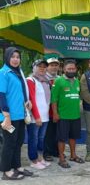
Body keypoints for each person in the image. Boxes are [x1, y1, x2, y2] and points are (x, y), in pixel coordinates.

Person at [0, 47, 33, 180]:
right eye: (13, 56)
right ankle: (6, 171)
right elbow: (1, 96)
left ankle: (17, 166)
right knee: (9, 143)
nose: (15, 59)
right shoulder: (3, 73)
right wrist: (6, 117)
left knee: (18, 142)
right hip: (9, 117)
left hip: (20, 115)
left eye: (18, 57)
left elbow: (19, 91)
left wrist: (27, 101)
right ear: (7, 57)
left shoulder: (18, 72)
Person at [51, 59, 84, 168]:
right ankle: (61, 158)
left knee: (73, 137)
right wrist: (55, 113)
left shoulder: (77, 81)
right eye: (69, 68)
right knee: (62, 138)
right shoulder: (58, 81)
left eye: (73, 68)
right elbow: (54, 99)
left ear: (75, 69)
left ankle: (73, 155)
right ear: (64, 69)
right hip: (63, 116)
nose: (71, 70)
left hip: (75, 115)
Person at [26, 59, 51, 170]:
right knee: (34, 138)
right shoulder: (30, 80)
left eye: (44, 67)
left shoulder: (46, 81)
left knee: (41, 138)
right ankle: (33, 160)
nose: (42, 68)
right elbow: (32, 99)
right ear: (34, 67)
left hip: (45, 116)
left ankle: (40, 157)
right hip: (35, 117)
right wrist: (36, 116)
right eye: (39, 66)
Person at [43, 57, 60, 161]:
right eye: (51, 65)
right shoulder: (42, 78)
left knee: (56, 132)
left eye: (56, 65)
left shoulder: (60, 79)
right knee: (47, 133)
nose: (54, 67)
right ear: (47, 67)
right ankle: (46, 152)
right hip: (46, 112)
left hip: (58, 111)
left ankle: (55, 151)